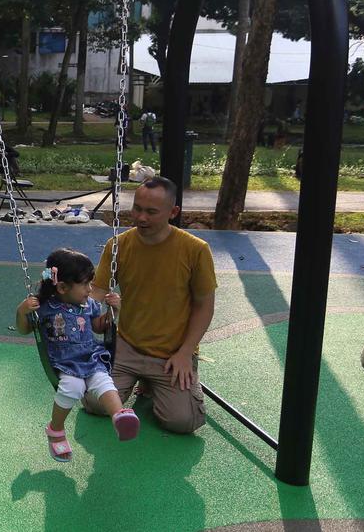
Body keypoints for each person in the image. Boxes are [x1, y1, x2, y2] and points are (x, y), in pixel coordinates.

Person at [86, 176, 217, 434]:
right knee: (94, 404)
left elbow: (205, 306)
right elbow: (96, 292)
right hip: (128, 346)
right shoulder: (118, 245)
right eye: (137, 208)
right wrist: (79, 314)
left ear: (173, 212)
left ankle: (157, 385)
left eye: (151, 212)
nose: (141, 217)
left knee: (182, 422)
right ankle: (142, 381)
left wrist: (185, 352)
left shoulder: (195, 250)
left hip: (171, 353)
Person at [16, 248, 140, 463]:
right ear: (62, 287)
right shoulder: (44, 307)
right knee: (73, 388)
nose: (90, 289)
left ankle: (120, 416)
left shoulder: (88, 304)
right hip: (64, 363)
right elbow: (25, 329)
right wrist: (22, 312)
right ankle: (55, 429)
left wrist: (113, 312)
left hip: (90, 357)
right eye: (85, 284)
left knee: (103, 381)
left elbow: (99, 327)